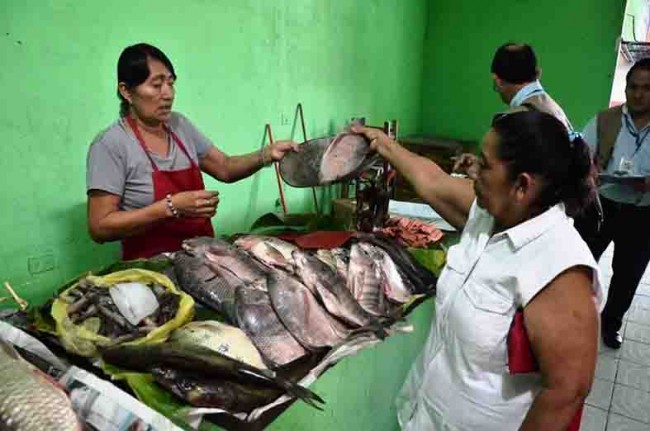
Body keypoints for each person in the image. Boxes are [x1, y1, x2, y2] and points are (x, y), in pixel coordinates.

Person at [354, 111, 601, 431]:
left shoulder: (558, 267)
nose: (475, 172)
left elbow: (567, 391)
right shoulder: (490, 214)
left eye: (485, 165)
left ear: (522, 185)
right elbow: (433, 180)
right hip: (425, 415)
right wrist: (384, 144)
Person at [86, 43, 297, 259]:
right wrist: (171, 207)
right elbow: (99, 227)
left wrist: (266, 155)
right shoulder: (111, 144)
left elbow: (224, 167)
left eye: (170, 83)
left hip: (203, 259)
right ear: (126, 91)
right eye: (156, 85)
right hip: (153, 268)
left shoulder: (180, 126)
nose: (168, 94)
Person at [578, 58, 650, 349]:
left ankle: (611, 324)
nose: (638, 94)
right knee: (579, 264)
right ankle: (573, 317)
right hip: (601, 206)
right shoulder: (605, 120)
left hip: (643, 213)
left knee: (628, 274)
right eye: (633, 87)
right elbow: (579, 156)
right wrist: (588, 171)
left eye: (647, 88)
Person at [454, 43, 572, 176]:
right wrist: (483, 164)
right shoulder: (555, 110)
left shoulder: (512, 120)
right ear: (538, 73)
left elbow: (500, 183)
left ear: (497, 81)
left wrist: (480, 172)